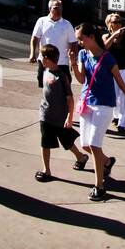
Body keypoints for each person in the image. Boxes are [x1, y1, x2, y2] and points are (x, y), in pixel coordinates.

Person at [73, 21, 125, 201]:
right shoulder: (82, 54)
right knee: (85, 145)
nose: (79, 42)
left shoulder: (107, 58)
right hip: (86, 103)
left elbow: (121, 84)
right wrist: (74, 63)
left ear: (91, 37)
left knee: (95, 146)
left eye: (81, 39)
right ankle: (107, 161)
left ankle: (99, 186)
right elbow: (82, 79)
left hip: (103, 105)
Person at [35, 44, 86, 182]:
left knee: (67, 141)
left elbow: (70, 98)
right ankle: (47, 170)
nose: (41, 59)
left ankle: (81, 157)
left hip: (60, 117)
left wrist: (69, 117)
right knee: (45, 142)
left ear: (48, 59)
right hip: (45, 114)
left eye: (42, 57)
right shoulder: (44, 72)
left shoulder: (61, 76)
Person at [29, 0, 78, 88]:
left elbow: (74, 43)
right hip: (45, 60)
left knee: (65, 85)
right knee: (43, 84)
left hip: (62, 62)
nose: (59, 10)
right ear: (49, 9)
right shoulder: (42, 21)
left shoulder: (67, 25)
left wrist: (73, 59)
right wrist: (32, 54)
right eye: (56, 8)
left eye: (60, 8)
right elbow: (35, 38)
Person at [102, 12, 125, 133]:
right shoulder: (106, 37)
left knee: (123, 96)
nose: (117, 24)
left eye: (119, 22)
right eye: (114, 22)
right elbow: (104, 48)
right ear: (109, 24)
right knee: (112, 96)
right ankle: (116, 116)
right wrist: (114, 36)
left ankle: (122, 123)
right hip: (110, 70)